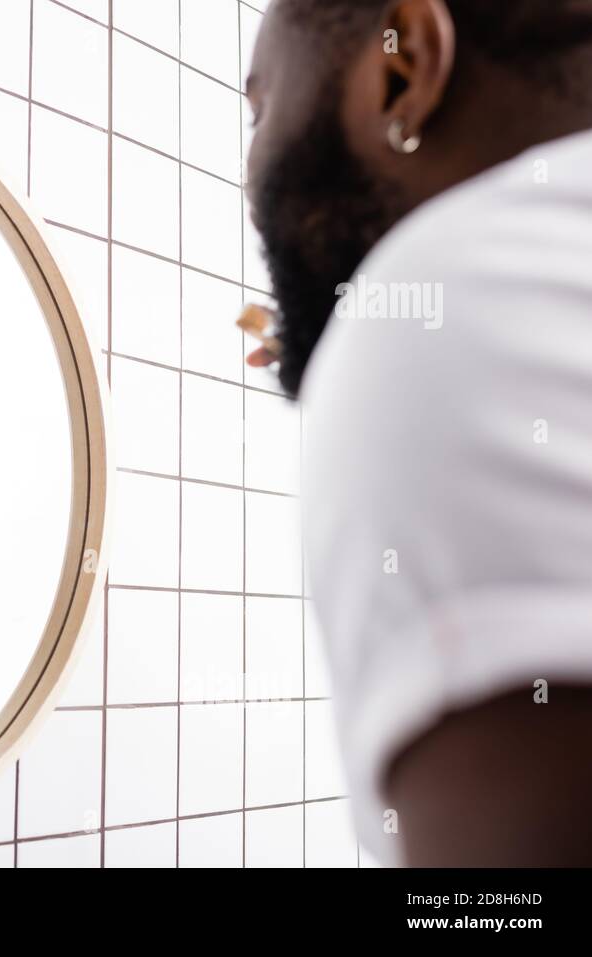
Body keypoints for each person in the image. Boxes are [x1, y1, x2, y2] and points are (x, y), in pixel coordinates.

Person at [243, 0, 592, 865]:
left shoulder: (458, 294)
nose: (250, 171)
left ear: (404, 66)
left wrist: (395, 329)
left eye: (258, 110)